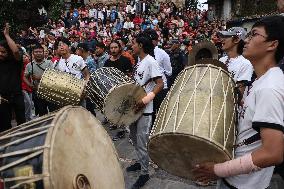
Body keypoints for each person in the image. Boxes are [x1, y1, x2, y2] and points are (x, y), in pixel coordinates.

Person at [193, 15, 284, 189]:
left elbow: (273, 153)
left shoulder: (269, 88)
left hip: (243, 184)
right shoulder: (262, 81)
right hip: (235, 177)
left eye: (254, 35)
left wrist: (218, 170)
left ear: (273, 44)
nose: (246, 40)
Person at [127, 33, 164, 189]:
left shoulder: (151, 61)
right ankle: (140, 162)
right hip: (135, 108)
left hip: (145, 109)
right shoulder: (139, 62)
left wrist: (145, 101)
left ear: (141, 45)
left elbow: (160, 84)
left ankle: (144, 173)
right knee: (134, 138)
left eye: (134, 44)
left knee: (142, 143)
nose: (132, 46)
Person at [143, 29, 172, 125]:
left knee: (160, 114)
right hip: (147, 89)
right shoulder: (142, 54)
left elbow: (169, 72)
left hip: (160, 89)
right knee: (149, 114)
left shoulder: (163, 54)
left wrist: (158, 74)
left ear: (156, 41)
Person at [218, 27, 254, 105]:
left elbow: (238, 96)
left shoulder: (245, 64)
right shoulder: (222, 60)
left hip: (231, 111)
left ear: (236, 40)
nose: (222, 40)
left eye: (227, 37)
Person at [0, 23, 25, 131]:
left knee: (22, 124)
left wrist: (6, 35)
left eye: (3, 52)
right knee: (5, 126)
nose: (0, 54)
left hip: (17, 95)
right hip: (3, 98)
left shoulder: (16, 61)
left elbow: (15, 51)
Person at [24, 44, 55, 116]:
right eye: (36, 52)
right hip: (38, 93)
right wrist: (30, 85)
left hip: (50, 91)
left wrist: (39, 78)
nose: (38, 53)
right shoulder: (29, 65)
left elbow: (53, 75)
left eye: (40, 52)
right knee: (42, 114)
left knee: (53, 112)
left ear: (43, 53)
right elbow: (24, 77)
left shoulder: (49, 63)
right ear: (33, 53)